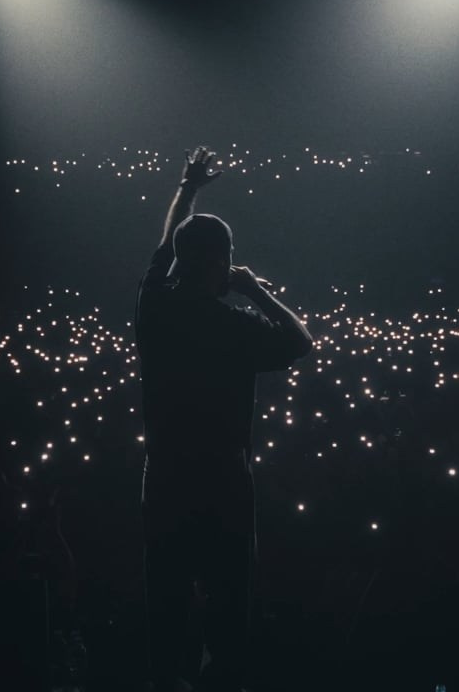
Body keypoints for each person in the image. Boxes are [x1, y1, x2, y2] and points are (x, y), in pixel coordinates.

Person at [136, 146, 314, 692]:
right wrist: (255, 288)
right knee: (230, 594)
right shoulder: (234, 323)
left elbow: (164, 248)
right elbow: (301, 342)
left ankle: (168, 679)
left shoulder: (155, 308)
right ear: (223, 261)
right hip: (222, 475)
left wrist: (187, 190)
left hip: (164, 472)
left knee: (166, 590)